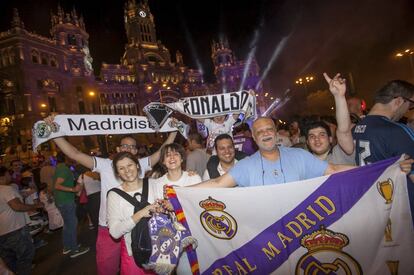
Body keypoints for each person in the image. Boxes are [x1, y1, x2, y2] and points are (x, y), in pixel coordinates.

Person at [44, 114, 177, 275]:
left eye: (132, 146)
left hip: (139, 226)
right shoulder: (105, 165)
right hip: (109, 228)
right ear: (118, 149)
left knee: (141, 266)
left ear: (136, 151)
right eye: (125, 146)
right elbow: (75, 154)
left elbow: (163, 150)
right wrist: (55, 133)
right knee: (107, 268)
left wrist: (174, 130)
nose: (128, 149)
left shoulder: (141, 164)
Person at [193, 117, 413, 188]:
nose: (266, 134)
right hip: (266, 242)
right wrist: (178, 192)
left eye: (270, 129)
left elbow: (335, 169)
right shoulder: (246, 165)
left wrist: (387, 167)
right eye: (260, 131)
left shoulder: (299, 156)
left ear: (276, 133)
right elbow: (217, 184)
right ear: (253, 136)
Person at [106, 152, 158, 275]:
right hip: (134, 254)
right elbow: (115, 232)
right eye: (121, 168)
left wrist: (188, 173)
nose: (127, 171)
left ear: (137, 166)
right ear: (117, 173)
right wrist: (139, 214)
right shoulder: (114, 195)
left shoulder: (153, 183)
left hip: (160, 250)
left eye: (130, 165)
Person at [0, 166, 43, 275]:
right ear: (3, 176)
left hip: (2, 232)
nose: (10, 176)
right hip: (15, 229)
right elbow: (17, 206)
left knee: (10, 260)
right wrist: (36, 206)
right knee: (26, 254)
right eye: (8, 174)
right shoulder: (6, 189)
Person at [53, 152, 90, 258]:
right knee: (72, 224)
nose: (74, 158)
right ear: (66, 158)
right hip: (66, 201)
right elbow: (57, 185)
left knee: (67, 224)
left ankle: (68, 246)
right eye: (71, 156)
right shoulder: (64, 169)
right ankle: (74, 249)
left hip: (61, 200)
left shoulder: (59, 168)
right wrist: (73, 189)